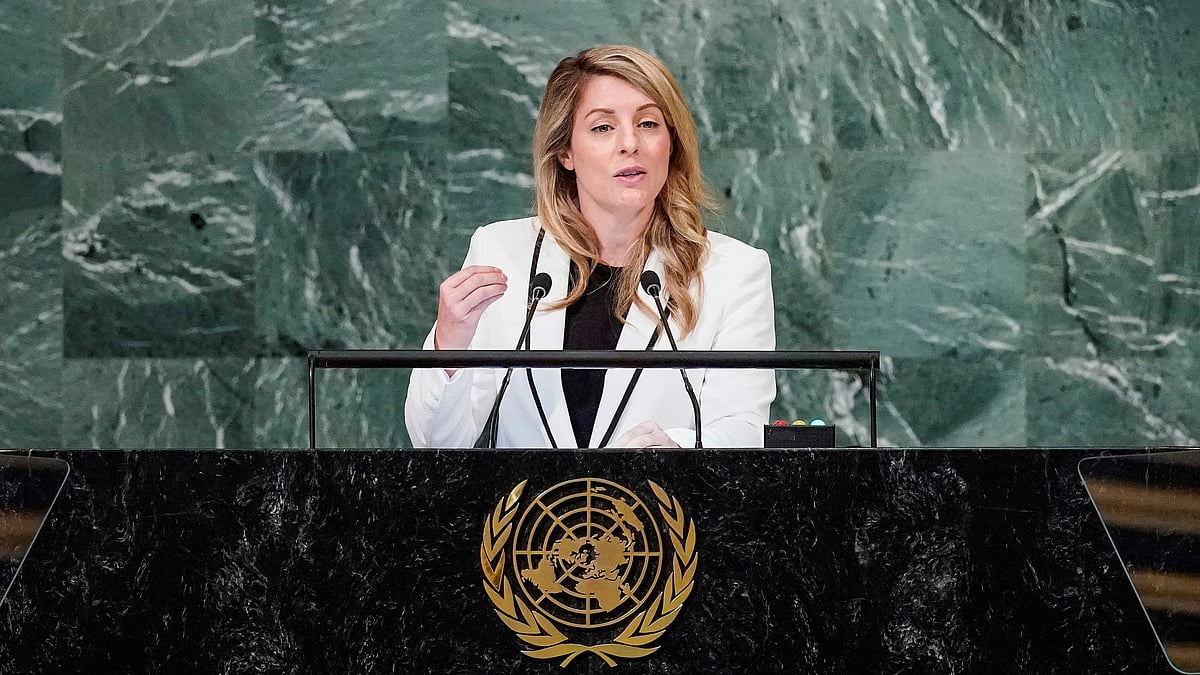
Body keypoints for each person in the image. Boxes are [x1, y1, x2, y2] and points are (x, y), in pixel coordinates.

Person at [404, 45, 775, 449]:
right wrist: (450, 342)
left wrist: (675, 447)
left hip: (657, 508)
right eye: (603, 127)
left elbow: (744, 427)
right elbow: (435, 445)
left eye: (649, 123)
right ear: (565, 152)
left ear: (672, 143)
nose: (630, 143)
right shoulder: (502, 251)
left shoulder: (733, 271)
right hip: (529, 512)